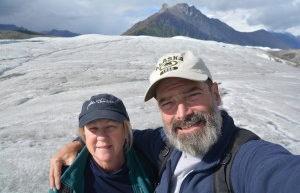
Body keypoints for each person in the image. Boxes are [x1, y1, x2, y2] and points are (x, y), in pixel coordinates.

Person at [50, 51, 300, 192]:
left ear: (215, 94)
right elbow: (110, 136)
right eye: (167, 102)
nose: (182, 113)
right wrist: (76, 145)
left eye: (192, 94)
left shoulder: (245, 159)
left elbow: (280, 175)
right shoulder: (166, 144)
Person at [49, 93, 156, 193]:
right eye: (93, 128)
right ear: (84, 134)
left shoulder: (149, 161)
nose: (102, 136)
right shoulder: (66, 176)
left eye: (110, 127)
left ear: (125, 130)